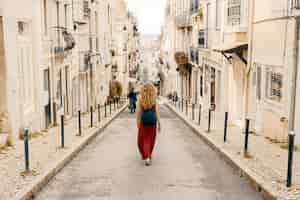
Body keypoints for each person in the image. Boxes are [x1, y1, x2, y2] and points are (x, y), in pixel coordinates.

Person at [136, 82, 161, 166]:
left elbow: (138, 112)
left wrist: (137, 122)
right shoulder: (154, 98)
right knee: (151, 139)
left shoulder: (141, 98)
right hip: (153, 121)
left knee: (142, 140)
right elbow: (157, 111)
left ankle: (146, 157)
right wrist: (159, 123)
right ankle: (148, 154)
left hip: (144, 121)